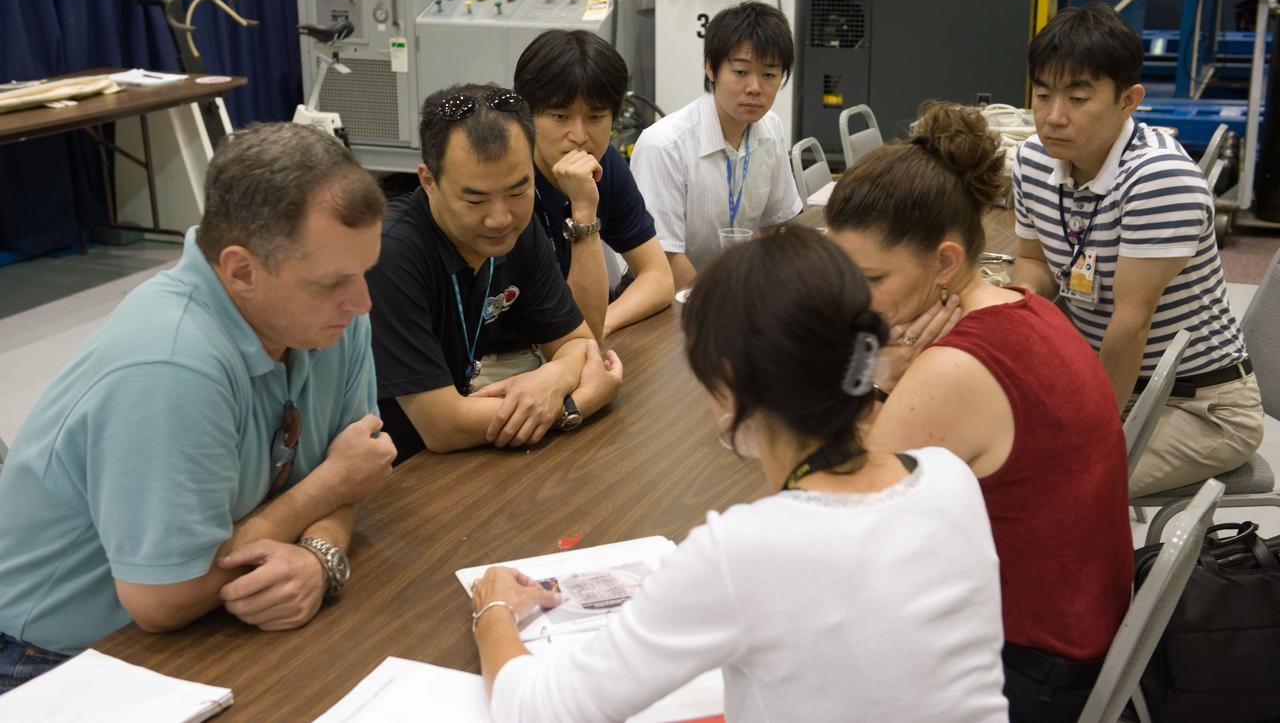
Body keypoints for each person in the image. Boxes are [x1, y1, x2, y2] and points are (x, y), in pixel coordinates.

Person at [466, 228, 1009, 723]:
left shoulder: (742, 551)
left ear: (728, 387)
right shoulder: (949, 477)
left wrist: (494, 609)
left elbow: (540, 709)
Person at [0, 123, 397, 692]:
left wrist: (320, 553)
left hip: (209, 618)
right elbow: (162, 600)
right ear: (241, 271)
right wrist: (328, 488)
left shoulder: (328, 317)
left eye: (364, 272)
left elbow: (360, 467)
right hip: (60, 659)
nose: (362, 302)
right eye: (332, 282)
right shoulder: (168, 365)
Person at [825, 102, 1133, 723]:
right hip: (1080, 633)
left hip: (1028, 675)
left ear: (944, 262)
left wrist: (877, 378)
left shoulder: (953, 370)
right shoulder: (1024, 304)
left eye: (871, 279)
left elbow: (830, 519)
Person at [1011, 2, 1263, 497]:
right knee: (987, 450)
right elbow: (1034, 261)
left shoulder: (1158, 178)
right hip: (1104, 375)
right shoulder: (1033, 159)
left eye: (1077, 98)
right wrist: (1013, 303)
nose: (1053, 117)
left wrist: (1089, 430)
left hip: (1200, 406)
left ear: (1129, 100)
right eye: (1042, 95)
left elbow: (1132, 321)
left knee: (1058, 490)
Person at [366, 84, 624, 463]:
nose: (500, 218)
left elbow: (579, 345)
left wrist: (554, 377)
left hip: (459, 460)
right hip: (391, 471)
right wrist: (575, 404)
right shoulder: (389, 253)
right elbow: (443, 426)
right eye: (475, 199)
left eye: (518, 191)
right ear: (428, 181)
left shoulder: (518, 230)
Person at [476, 30, 672, 377]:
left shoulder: (605, 165)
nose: (580, 136)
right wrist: (584, 211)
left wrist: (599, 322)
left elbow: (658, 277)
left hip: (574, 347)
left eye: (596, 117)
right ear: (527, 116)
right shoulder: (503, 181)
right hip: (496, 362)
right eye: (560, 116)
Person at [631, 1, 802, 289]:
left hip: (735, 289)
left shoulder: (770, 128)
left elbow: (776, 225)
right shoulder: (664, 146)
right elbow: (665, 258)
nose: (755, 88)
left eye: (769, 75)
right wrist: (718, 306)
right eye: (740, 72)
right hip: (669, 295)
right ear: (711, 69)